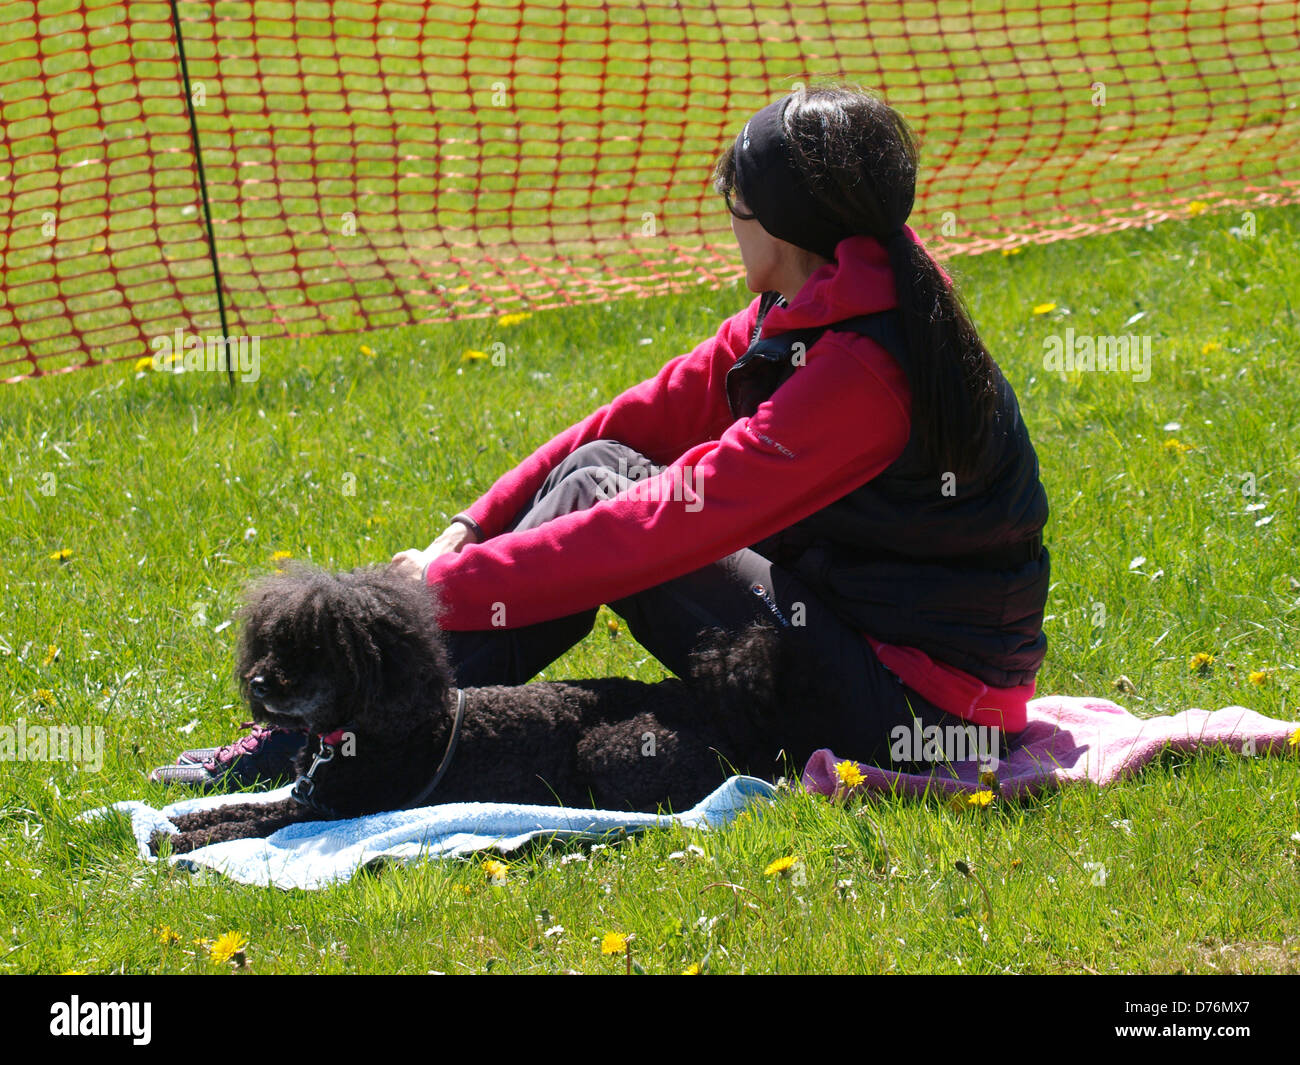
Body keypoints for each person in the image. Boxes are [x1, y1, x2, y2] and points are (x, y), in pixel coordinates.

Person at [155, 84, 1049, 789]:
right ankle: (352, 717)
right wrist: (468, 528)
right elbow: (637, 417)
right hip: (878, 662)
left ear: (785, 223)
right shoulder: (833, 292)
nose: (726, 218)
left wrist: (433, 596)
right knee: (597, 466)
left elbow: (658, 525)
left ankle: (348, 721)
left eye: (735, 202)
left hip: (919, 721)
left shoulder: (861, 372)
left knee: (606, 492)